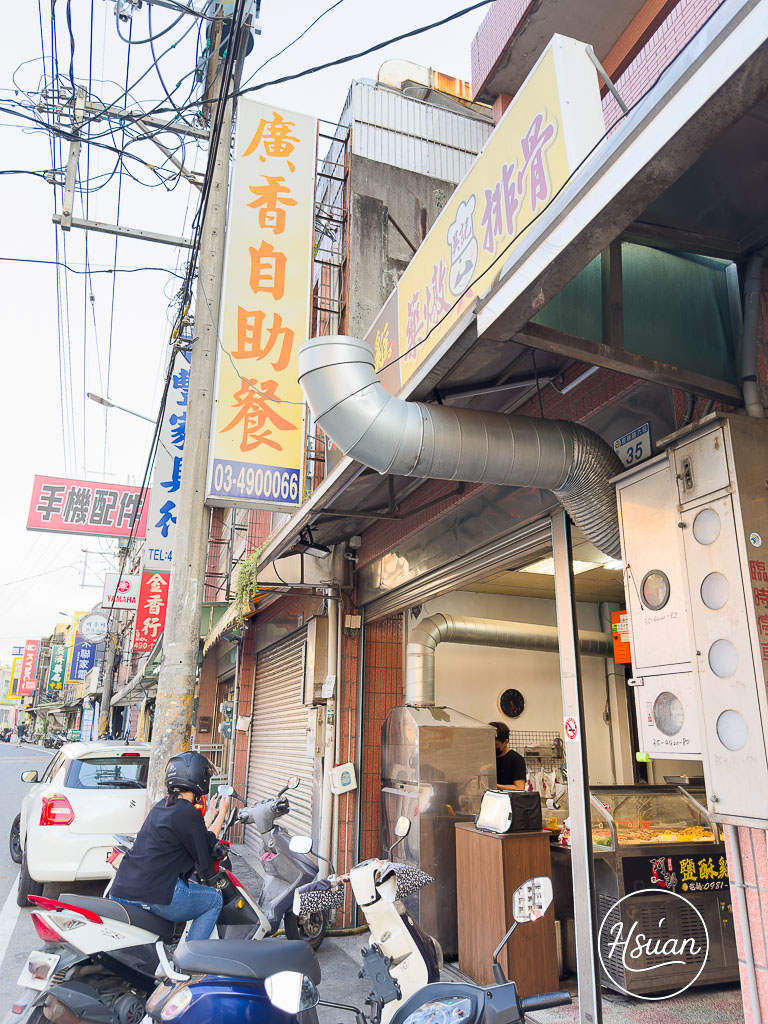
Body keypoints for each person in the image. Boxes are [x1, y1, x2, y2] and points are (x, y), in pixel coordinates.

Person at [109, 751, 230, 940]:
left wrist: (212, 814)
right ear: (200, 778)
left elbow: (194, 833)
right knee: (214, 899)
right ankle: (193, 963)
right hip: (155, 893)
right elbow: (205, 853)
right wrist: (223, 813)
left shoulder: (162, 806)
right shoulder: (188, 813)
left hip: (122, 889)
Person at [489, 721, 526, 791]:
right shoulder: (488, 757)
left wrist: (495, 786)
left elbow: (519, 788)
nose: (493, 747)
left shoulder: (516, 759)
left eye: (496, 745)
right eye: (490, 743)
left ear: (506, 742)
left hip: (508, 800)